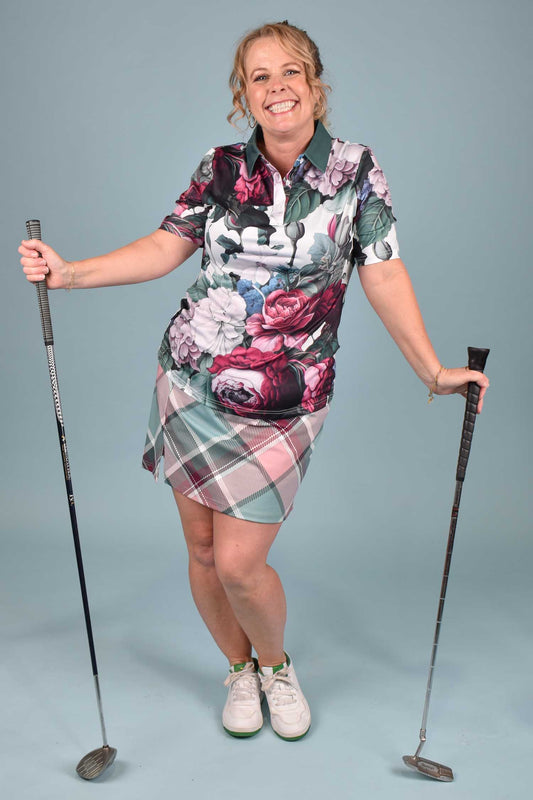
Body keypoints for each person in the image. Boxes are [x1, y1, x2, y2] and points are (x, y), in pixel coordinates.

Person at [19, 21, 489, 742]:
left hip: (285, 393)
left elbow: (383, 269)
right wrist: (69, 273)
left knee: (241, 563)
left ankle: (274, 664)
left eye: (290, 72)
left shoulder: (355, 170)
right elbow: (164, 245)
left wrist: (429, 369)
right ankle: (236, 670)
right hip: (191, 379)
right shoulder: (217, 168)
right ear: (243, 93)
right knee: (203, 551)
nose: (277, 88)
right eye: (259, 76)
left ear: (314, 83)